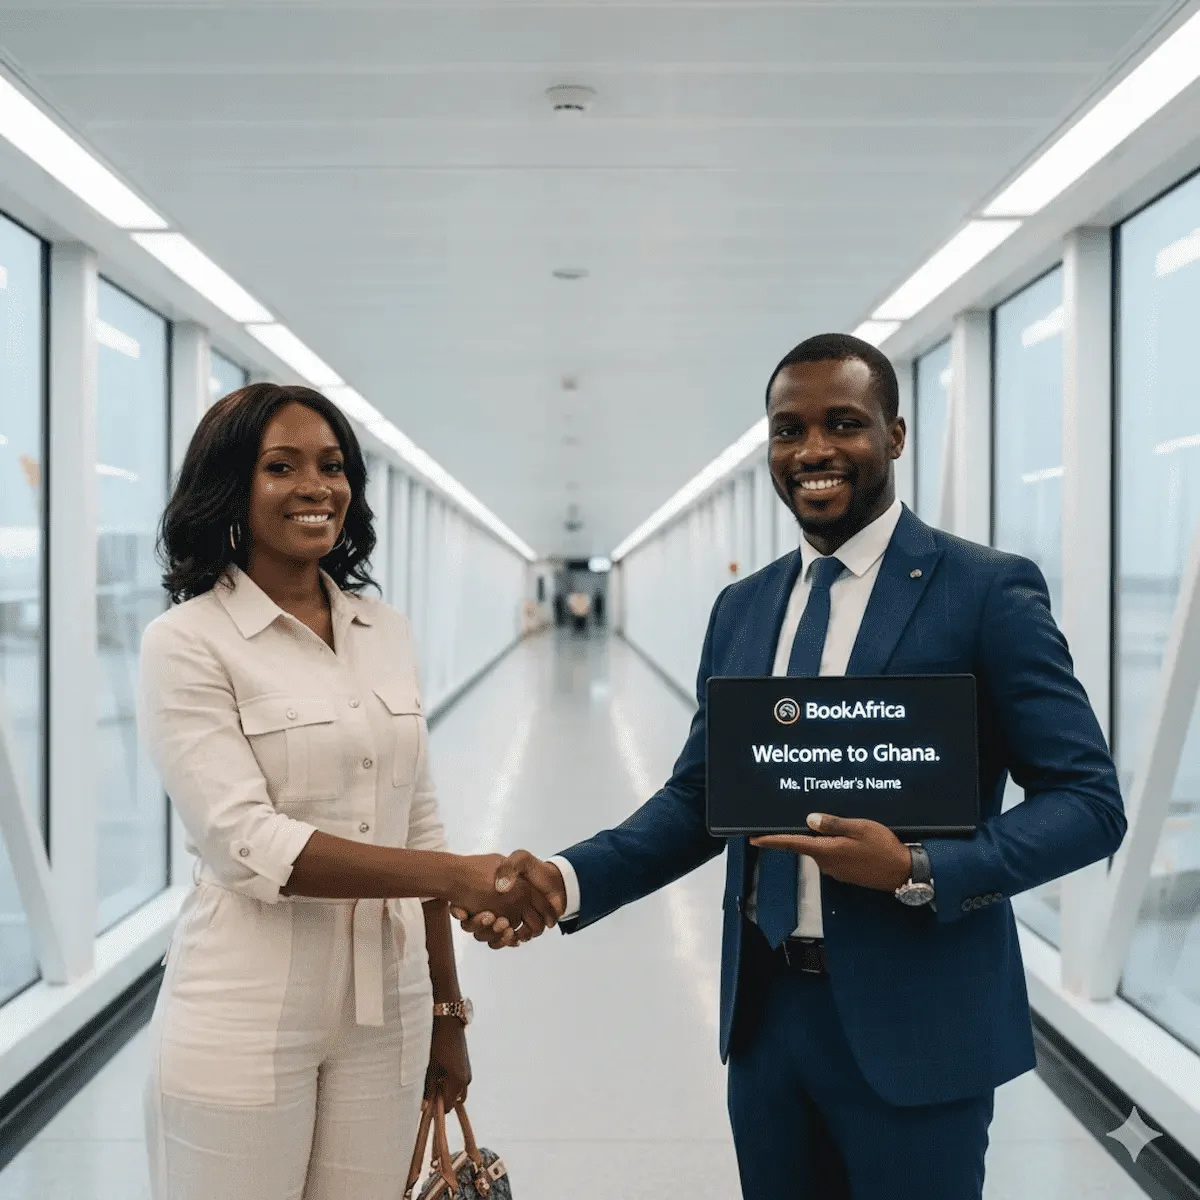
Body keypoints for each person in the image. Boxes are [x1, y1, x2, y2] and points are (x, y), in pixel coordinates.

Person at [455, 334, 1127, 1199]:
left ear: (896, 435)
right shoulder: (744, 607)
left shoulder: (984, 591)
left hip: (918, 1025)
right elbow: (705, 796)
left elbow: (1089, 801)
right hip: (769, 1020)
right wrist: (563, 879)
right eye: (787, 430)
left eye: (843, 424)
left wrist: (921, 867)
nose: (812, 450)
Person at [138, 383, 558, 1200]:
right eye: (281, 467)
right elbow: (248, 845)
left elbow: (421, 825)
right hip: (242, 1008)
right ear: (230, 486)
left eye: (333, 466)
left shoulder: (383, 630)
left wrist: (447, 1010)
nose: (316, 486)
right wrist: (453, 877)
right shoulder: (186, 643)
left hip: (387, 1014)